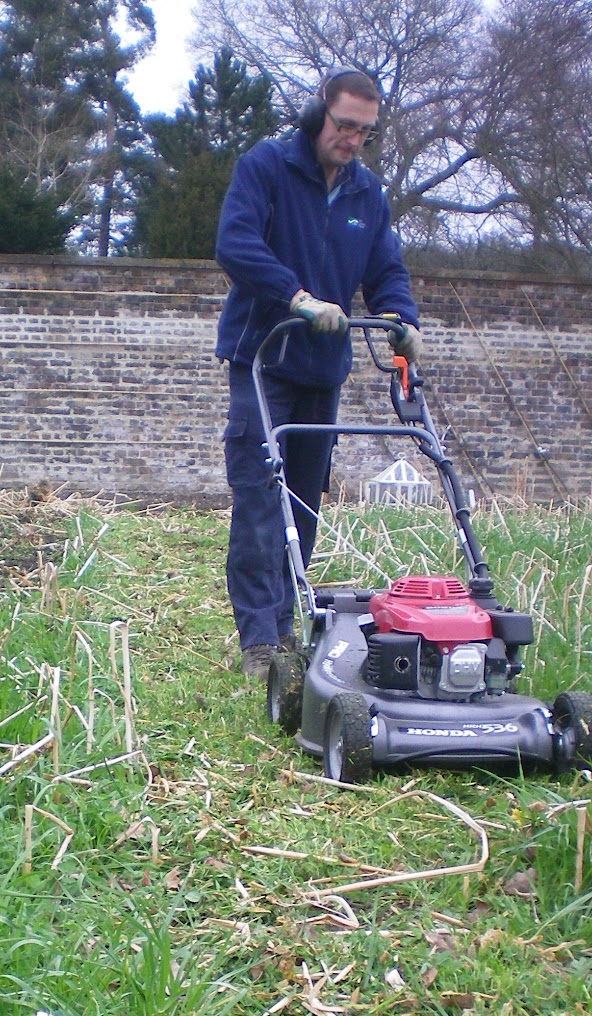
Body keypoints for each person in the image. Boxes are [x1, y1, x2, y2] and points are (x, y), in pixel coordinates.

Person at [214, 67, 422, 679]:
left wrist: (400, 319)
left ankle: (289, 623)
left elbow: (387, 271)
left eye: (365, 131)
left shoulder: (367, 195)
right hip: (267, 354)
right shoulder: (268, 167)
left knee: (304, 500)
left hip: (323, 367)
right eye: (344, 125)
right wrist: (295, 297)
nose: (352, 139)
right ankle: (258, 639)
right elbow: (235, 242)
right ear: (319, 114)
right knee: (259, 492)